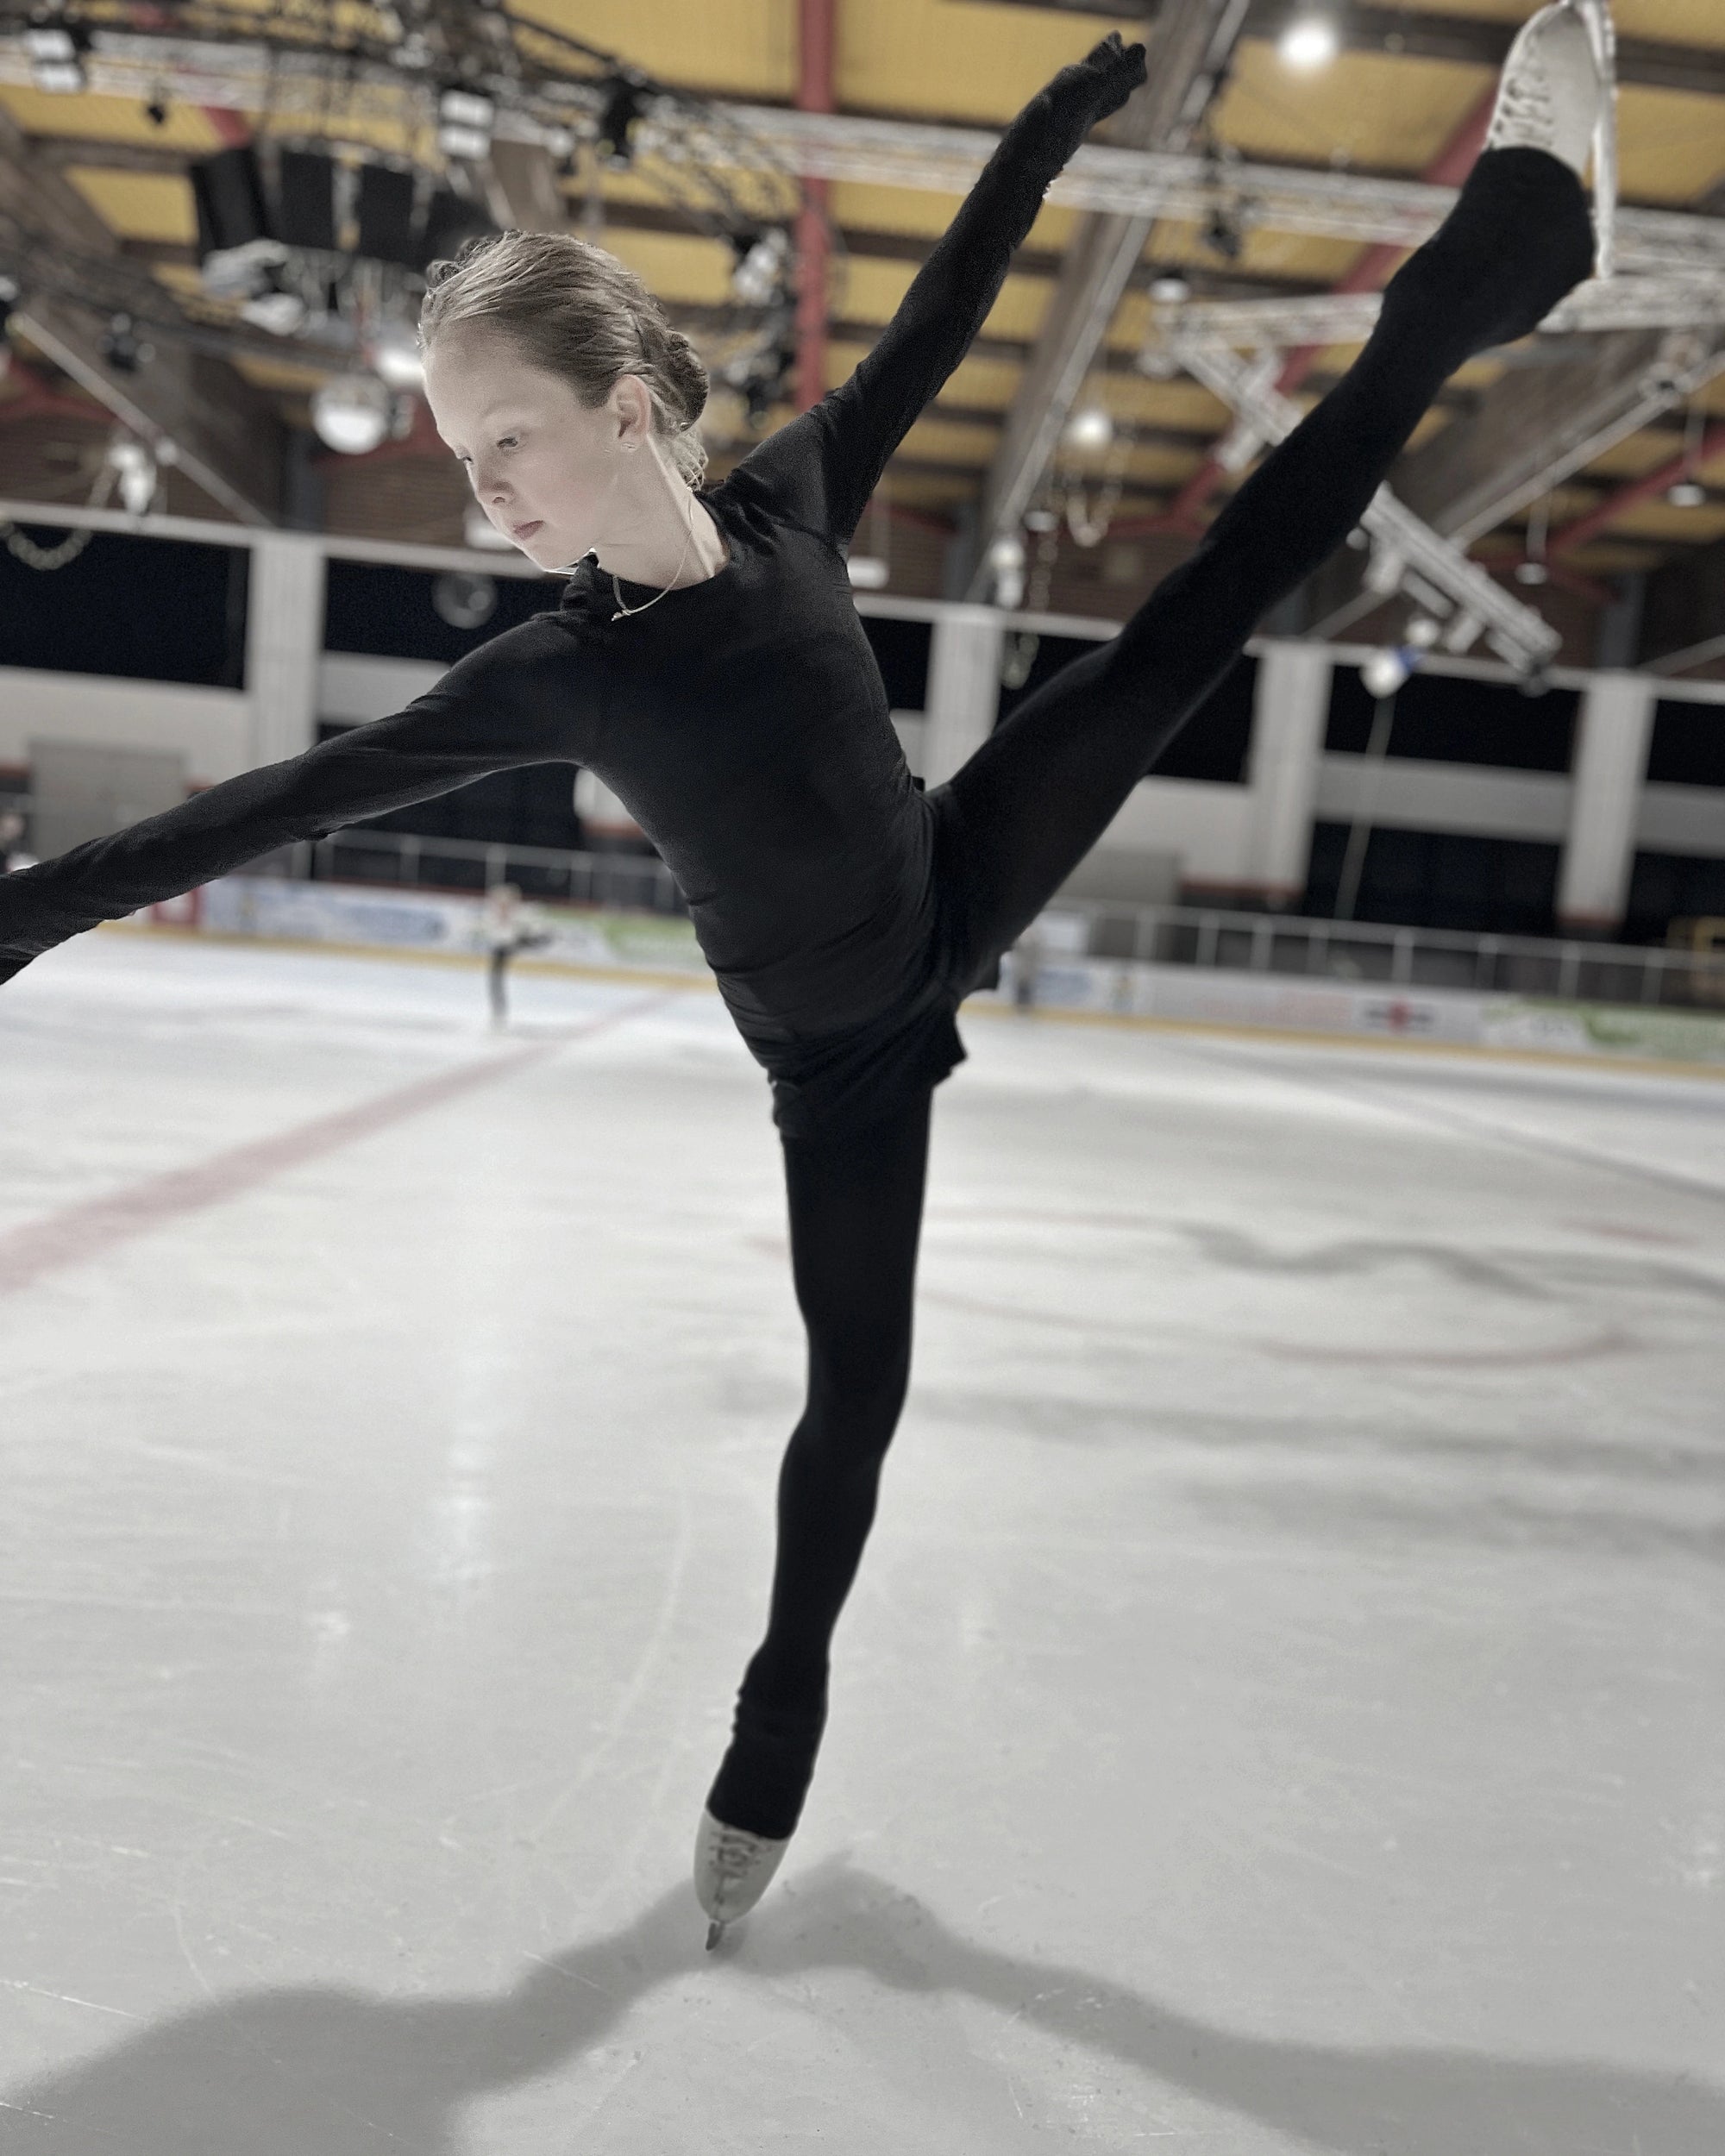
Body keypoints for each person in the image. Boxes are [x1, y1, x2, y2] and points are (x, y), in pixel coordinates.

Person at [0, 6, 1610, 1948]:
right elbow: (268, 802)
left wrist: (1039, 128)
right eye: (457, 456)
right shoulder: (551, 675)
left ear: (619, 405)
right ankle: (781, 1718)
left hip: (958, 863)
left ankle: (1513, 242)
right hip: (835, 1060)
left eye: (504, 438)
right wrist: (27, 910)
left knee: (1217, 587)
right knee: (860, 1395)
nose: (481, 490)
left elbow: (951, 297)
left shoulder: (789, 502)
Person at [480, 879, 551, 1031]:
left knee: (497, 978)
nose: (501, 905)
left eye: (505, 902)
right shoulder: (493, 917)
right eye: (499, 902)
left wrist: (528, 937)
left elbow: (535, 930)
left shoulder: (521, 915)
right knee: (495, 980)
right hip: (502, 948)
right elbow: (496, 935)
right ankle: (498, 1011)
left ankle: (500, 1012)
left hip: (516, 944)